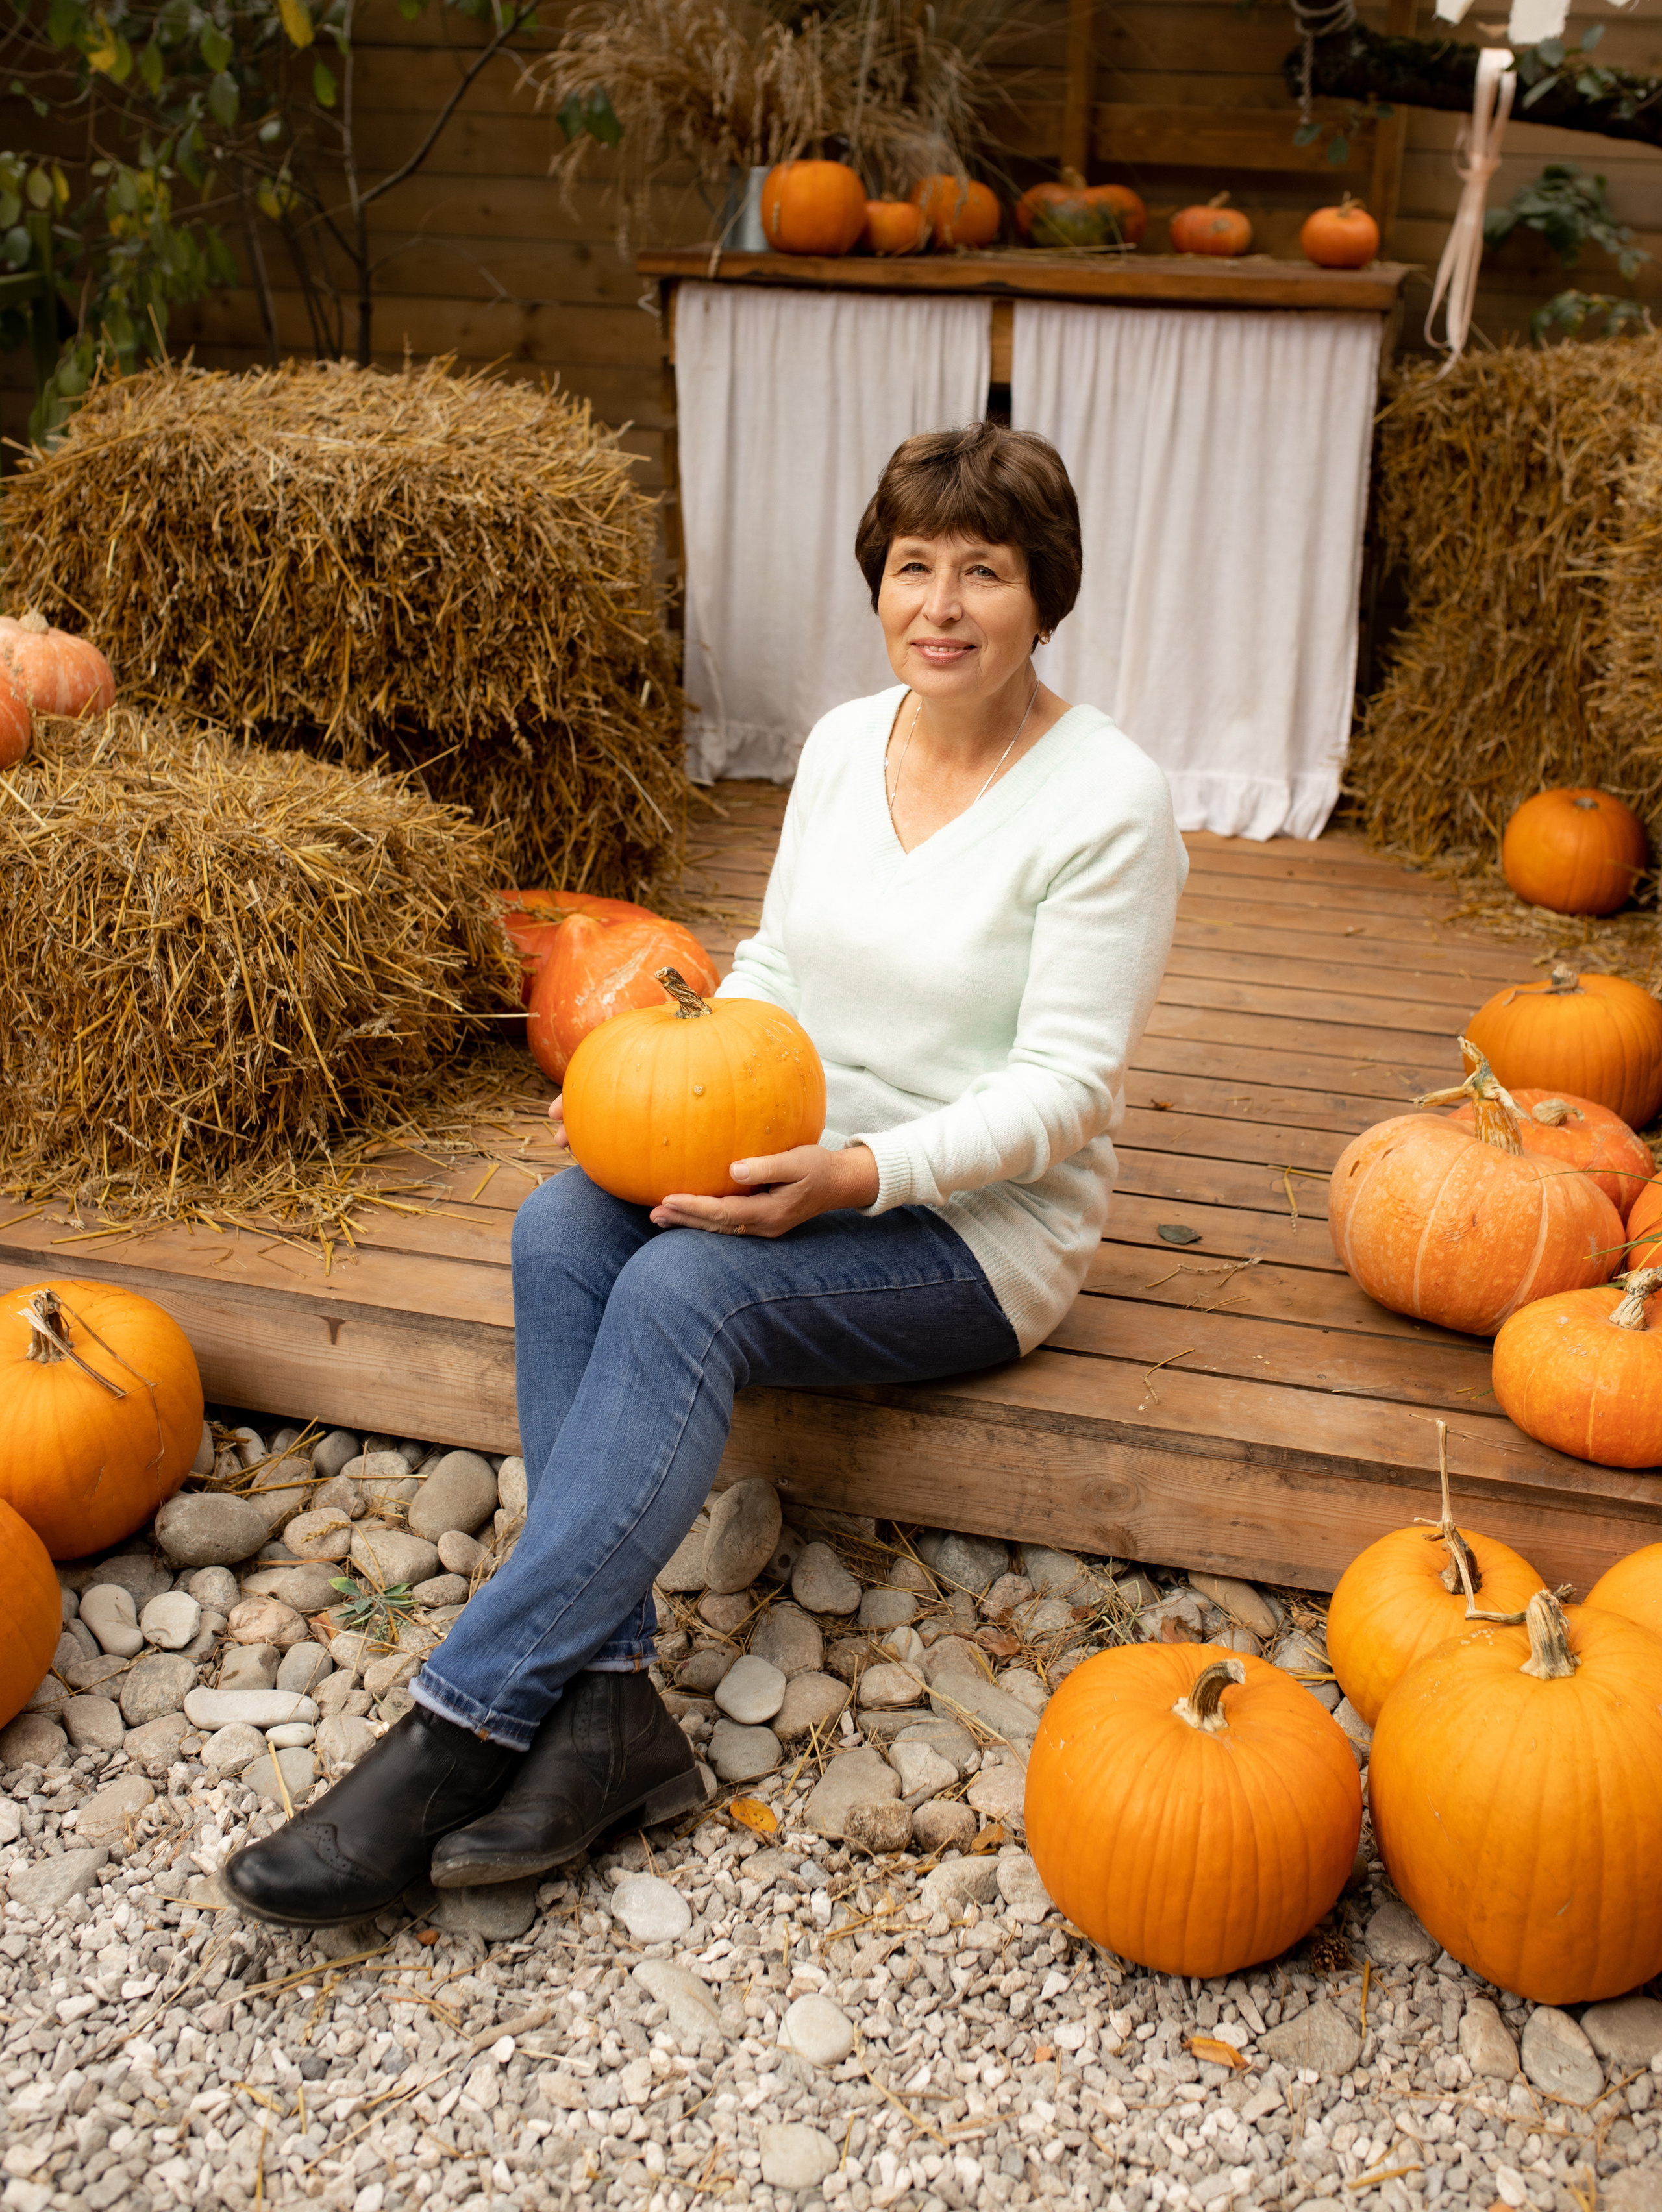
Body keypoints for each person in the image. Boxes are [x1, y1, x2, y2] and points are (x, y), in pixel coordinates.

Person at [223, 421, 1186, 1928]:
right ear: (877, 583)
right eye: (912, 565)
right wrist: (653, 1105)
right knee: (562, 1221)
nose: (939, 603)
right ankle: (607, 1714)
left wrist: (851, 1171)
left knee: (681, 1289)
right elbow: (781, 972)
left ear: (1043, 597)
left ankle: (454, 1728)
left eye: (981, 572)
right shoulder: (835, 743)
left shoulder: (1104, 799)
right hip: (789, 1144)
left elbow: (1064, 1093)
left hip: (975, 1233)